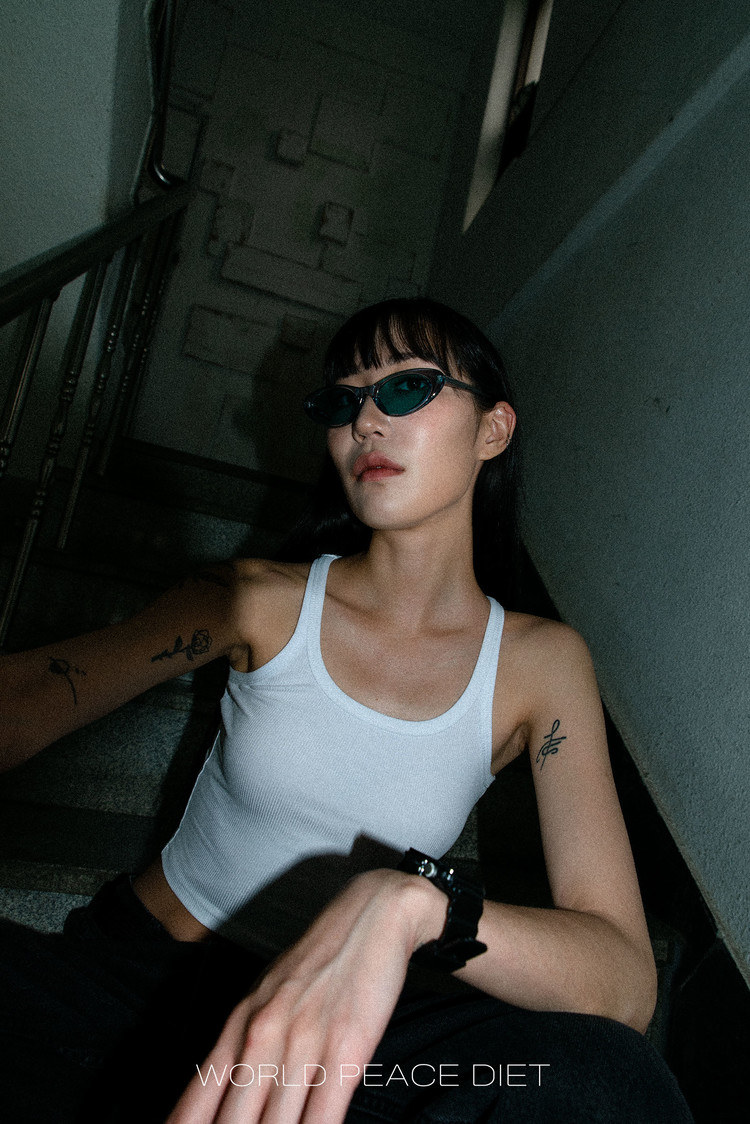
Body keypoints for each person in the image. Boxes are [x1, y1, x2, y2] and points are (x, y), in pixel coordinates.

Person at [0, 297, 693, 1123]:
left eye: (406, 387)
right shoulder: (255, 599)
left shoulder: (541, 665)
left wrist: (416, 907)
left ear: (493, 429)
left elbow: (624, 983)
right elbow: (35, 695)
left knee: (610, 1084)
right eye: (343, 401)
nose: (365, 420)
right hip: (133, 993)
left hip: (348, 1040)